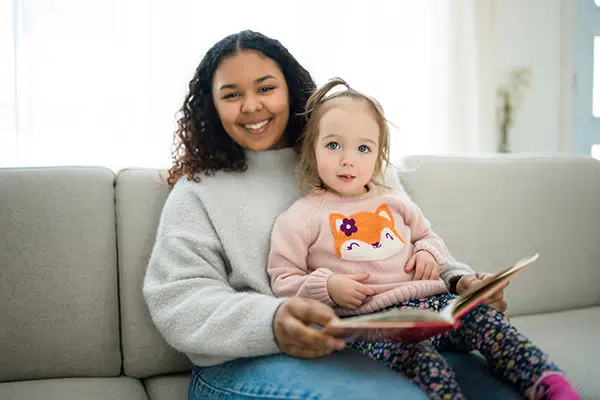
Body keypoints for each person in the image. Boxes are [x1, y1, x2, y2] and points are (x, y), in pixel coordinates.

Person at [144, 30, 527, 400]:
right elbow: (179, 299)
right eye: (232, 95)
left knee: (507, 388)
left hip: (373, 343)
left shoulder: (350, 156)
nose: (251, 106)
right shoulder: (199, 191)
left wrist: (462, 283)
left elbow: (410, 242)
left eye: (265, 88)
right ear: (212, 105)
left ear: (290, 90)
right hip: (246, 362)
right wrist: (272, 322)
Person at [267, 77, 579, 400]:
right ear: (311, 149)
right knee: (425, 365)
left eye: (363, 148)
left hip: (435, 307)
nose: (348, 159)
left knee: (489, 322)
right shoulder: (301, 216)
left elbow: (429, 238)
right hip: (374, 327)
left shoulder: (394, 202)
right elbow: (283, 280)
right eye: (333, 145)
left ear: (378, 155)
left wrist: (429, 253)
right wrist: (328, 286)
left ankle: (551, 386)